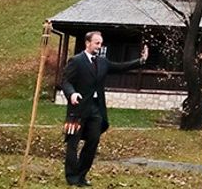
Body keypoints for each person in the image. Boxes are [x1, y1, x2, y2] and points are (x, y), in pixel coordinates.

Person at [60, 31, 147, 186]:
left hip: (96, 110)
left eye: (101, 44)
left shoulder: (102, 62)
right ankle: (71, 176)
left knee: (93, 141)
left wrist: (140, 61)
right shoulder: (76, 61)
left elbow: (120, 67)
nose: (99, 47)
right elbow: (66, 81)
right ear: (87, 43)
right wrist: (72, 94)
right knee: (72, 144)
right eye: (96, 43)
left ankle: (81, 175)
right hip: (77, 110)